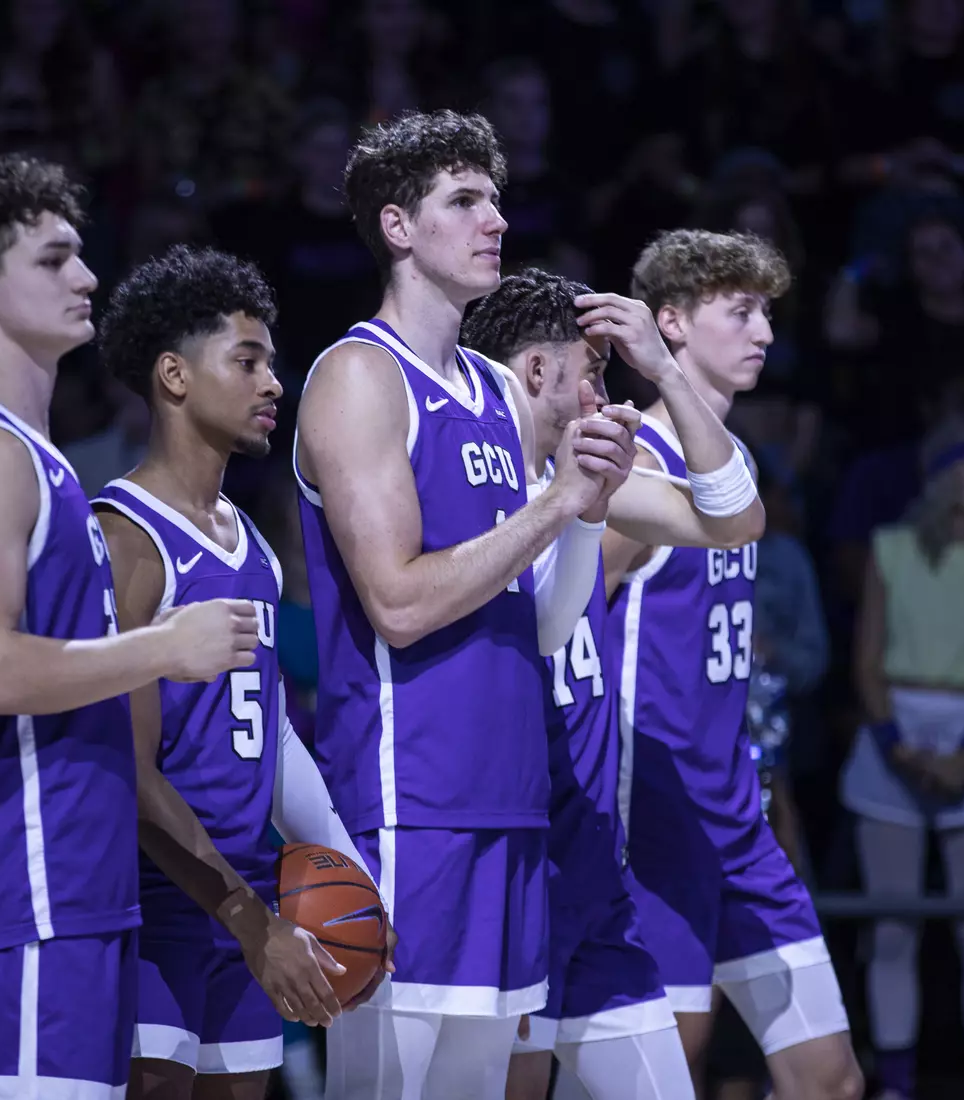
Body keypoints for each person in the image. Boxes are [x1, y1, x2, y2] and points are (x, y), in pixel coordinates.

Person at [291, 109, 635, 1099]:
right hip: (411, 812)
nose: (495, 221)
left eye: (497, 201)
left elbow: (546, 619)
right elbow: (397, 599)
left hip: (512, 806)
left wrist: (582, 514)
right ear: (398, 226)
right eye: (465, 201)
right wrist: (561, 501)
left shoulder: (494, 389)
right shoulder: (357, 375)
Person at [0, 154, 257, 1096]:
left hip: (81, 895)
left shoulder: (41, 460)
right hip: (20, 896)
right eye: (54, 260)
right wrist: (161, 647)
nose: (87, 277)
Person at [93, 245, 395, 1099]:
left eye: (273, 364)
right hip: (157, 904)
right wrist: (244, 915)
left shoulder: (253, 547)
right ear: (174, 376)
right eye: (249, 361)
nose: (273, 384)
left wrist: (342, 860)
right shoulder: (126, 539)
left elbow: (268, 734)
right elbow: (126, 765)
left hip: (248, 903)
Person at [460, 268, 766, 1100]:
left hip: (598, 868)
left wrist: (666, 369)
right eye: (594, 369)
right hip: (524, 868)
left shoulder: (603, 483)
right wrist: (577, 506)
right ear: (534, 373)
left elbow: (737, 516)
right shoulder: (469, 506)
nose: (605, 387)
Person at [600, 229, 863, 1100]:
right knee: (678, 1066)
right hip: (652, 812)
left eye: (768, 314)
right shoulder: (632, 458)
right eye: (740, 311)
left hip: (736, 811)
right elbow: (562, 622)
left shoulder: (736, 463)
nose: (764, 334)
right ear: (669, 324)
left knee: (828, 1079)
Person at [845, 414, 964, 1100]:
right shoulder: (891, 549)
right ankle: (894, 1084)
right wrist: (896, 745)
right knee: (891, 927)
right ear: (946, 475)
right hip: (893, 730)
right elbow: (865, 660)